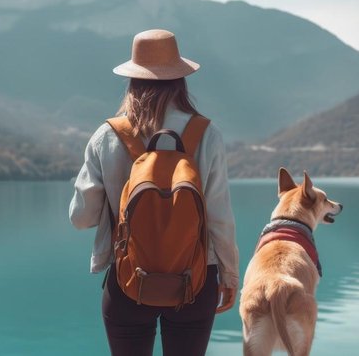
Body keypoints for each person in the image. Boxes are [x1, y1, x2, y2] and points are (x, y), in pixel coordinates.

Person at [69, 29, 240, 356]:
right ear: (180, 80)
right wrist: (230, 276)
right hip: (197, 278)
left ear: (133, 80)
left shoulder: (106, 136)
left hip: (128, 279)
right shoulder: (207, 134)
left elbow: (81, 218)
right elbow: (219, 218)